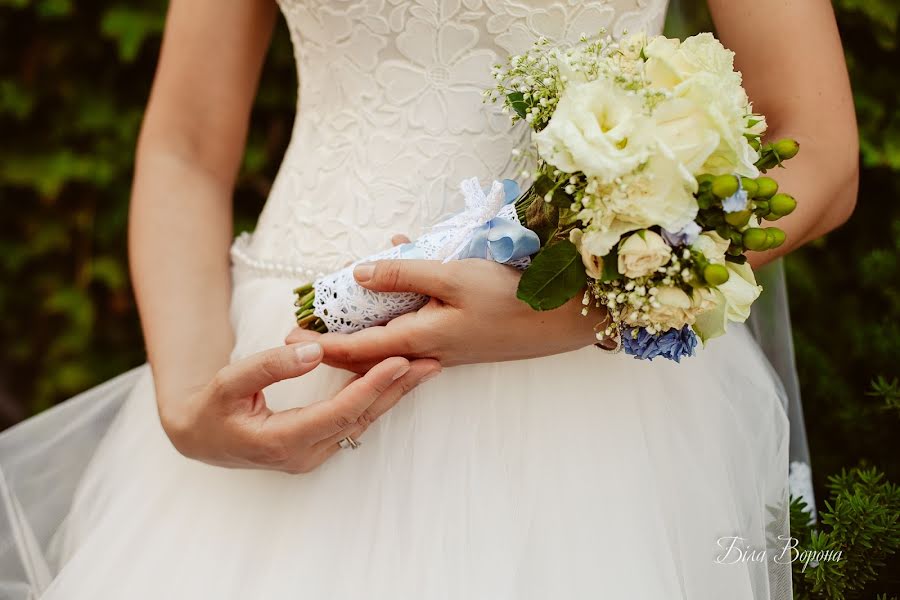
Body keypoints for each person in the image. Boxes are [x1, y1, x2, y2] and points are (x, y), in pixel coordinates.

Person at [0, 0, 857, 597]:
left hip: (584, 406)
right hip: (292, 374)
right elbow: (184, 148)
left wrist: (568, 306)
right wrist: (189, 398)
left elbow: (817, 149)